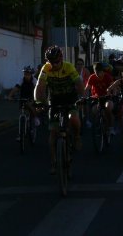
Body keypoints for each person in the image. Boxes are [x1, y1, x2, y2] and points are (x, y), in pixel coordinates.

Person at [34, 45, 85, 174]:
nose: (54, 65)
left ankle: (77, 136)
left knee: (73, 117)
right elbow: (39, 87)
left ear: (61, 58)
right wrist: (38, 102)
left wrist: (82, 97)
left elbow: (79, 83)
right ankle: (54, 162)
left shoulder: (68, 67)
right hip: (55, 100)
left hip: (70, 99)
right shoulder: (46, 68)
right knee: (53, 133)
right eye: (51, 62)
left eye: (56, 62)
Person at [8, 65, 40, 132]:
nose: (26, 76)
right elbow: (16, 88)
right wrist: (10, 96)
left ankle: (36, 117)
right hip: (23, 97)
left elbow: (38, 90)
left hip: (32, 97)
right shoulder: (21, 80)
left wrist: (37, 98)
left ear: (31, 74)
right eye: (25, 74)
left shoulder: (34, 80)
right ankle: (24, 123)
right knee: (23, 109)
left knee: (31, 106)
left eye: (28, 74)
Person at [85, 62, 114, 130]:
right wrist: (83, 96)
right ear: (94, 71)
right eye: (96, 72)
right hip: (96, 98)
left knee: (108, 107)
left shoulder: (107, 76)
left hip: (107, 97)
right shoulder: (92, 77)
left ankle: (111, 127)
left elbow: (113, 87)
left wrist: (113, 93)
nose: (98, 74)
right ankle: (99, 124)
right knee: (94, 110)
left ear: (102, 71)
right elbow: (86, 89)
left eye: (99, 72)